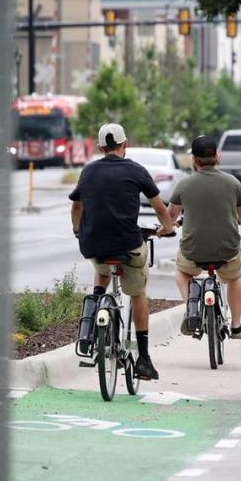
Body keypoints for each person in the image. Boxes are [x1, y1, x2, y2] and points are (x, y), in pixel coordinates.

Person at [69, 123, 175, 381]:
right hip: (128, 244)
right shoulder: (136, 170)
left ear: (100, 147)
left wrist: (77, 232)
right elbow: (161, 209)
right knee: (138, 294)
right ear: (124, 144)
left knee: (102, 269)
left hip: (93, 244)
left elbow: (76, 208)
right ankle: (144, 359)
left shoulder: (89, 171)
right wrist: (168, 228)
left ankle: (95, 306)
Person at [167, 136, 241, 339]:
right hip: (227, 250)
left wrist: (172, 224)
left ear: (193, 160)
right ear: (217, 156)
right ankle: (236, 325)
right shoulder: (232, 183)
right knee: (234, 277)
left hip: (193, 251)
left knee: (182, 273)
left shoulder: (184, 184)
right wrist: (240, 219)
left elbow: (171, 216)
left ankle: (192, 310)